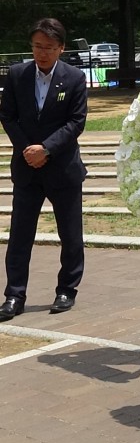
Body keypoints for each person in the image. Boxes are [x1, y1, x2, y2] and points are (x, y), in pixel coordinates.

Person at [0, 18, 87, 321]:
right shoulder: (16, 74)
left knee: (71, 235)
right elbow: (8, 116)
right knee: (20, 235)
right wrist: (28, 150)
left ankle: (66, 289)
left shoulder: (74, 78)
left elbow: (76, 122)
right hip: (26, 168)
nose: (42, 53)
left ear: (61, 48)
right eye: (38, 46)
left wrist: (46, 149)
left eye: (49, 48)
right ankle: (14, 295)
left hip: (62, 169)